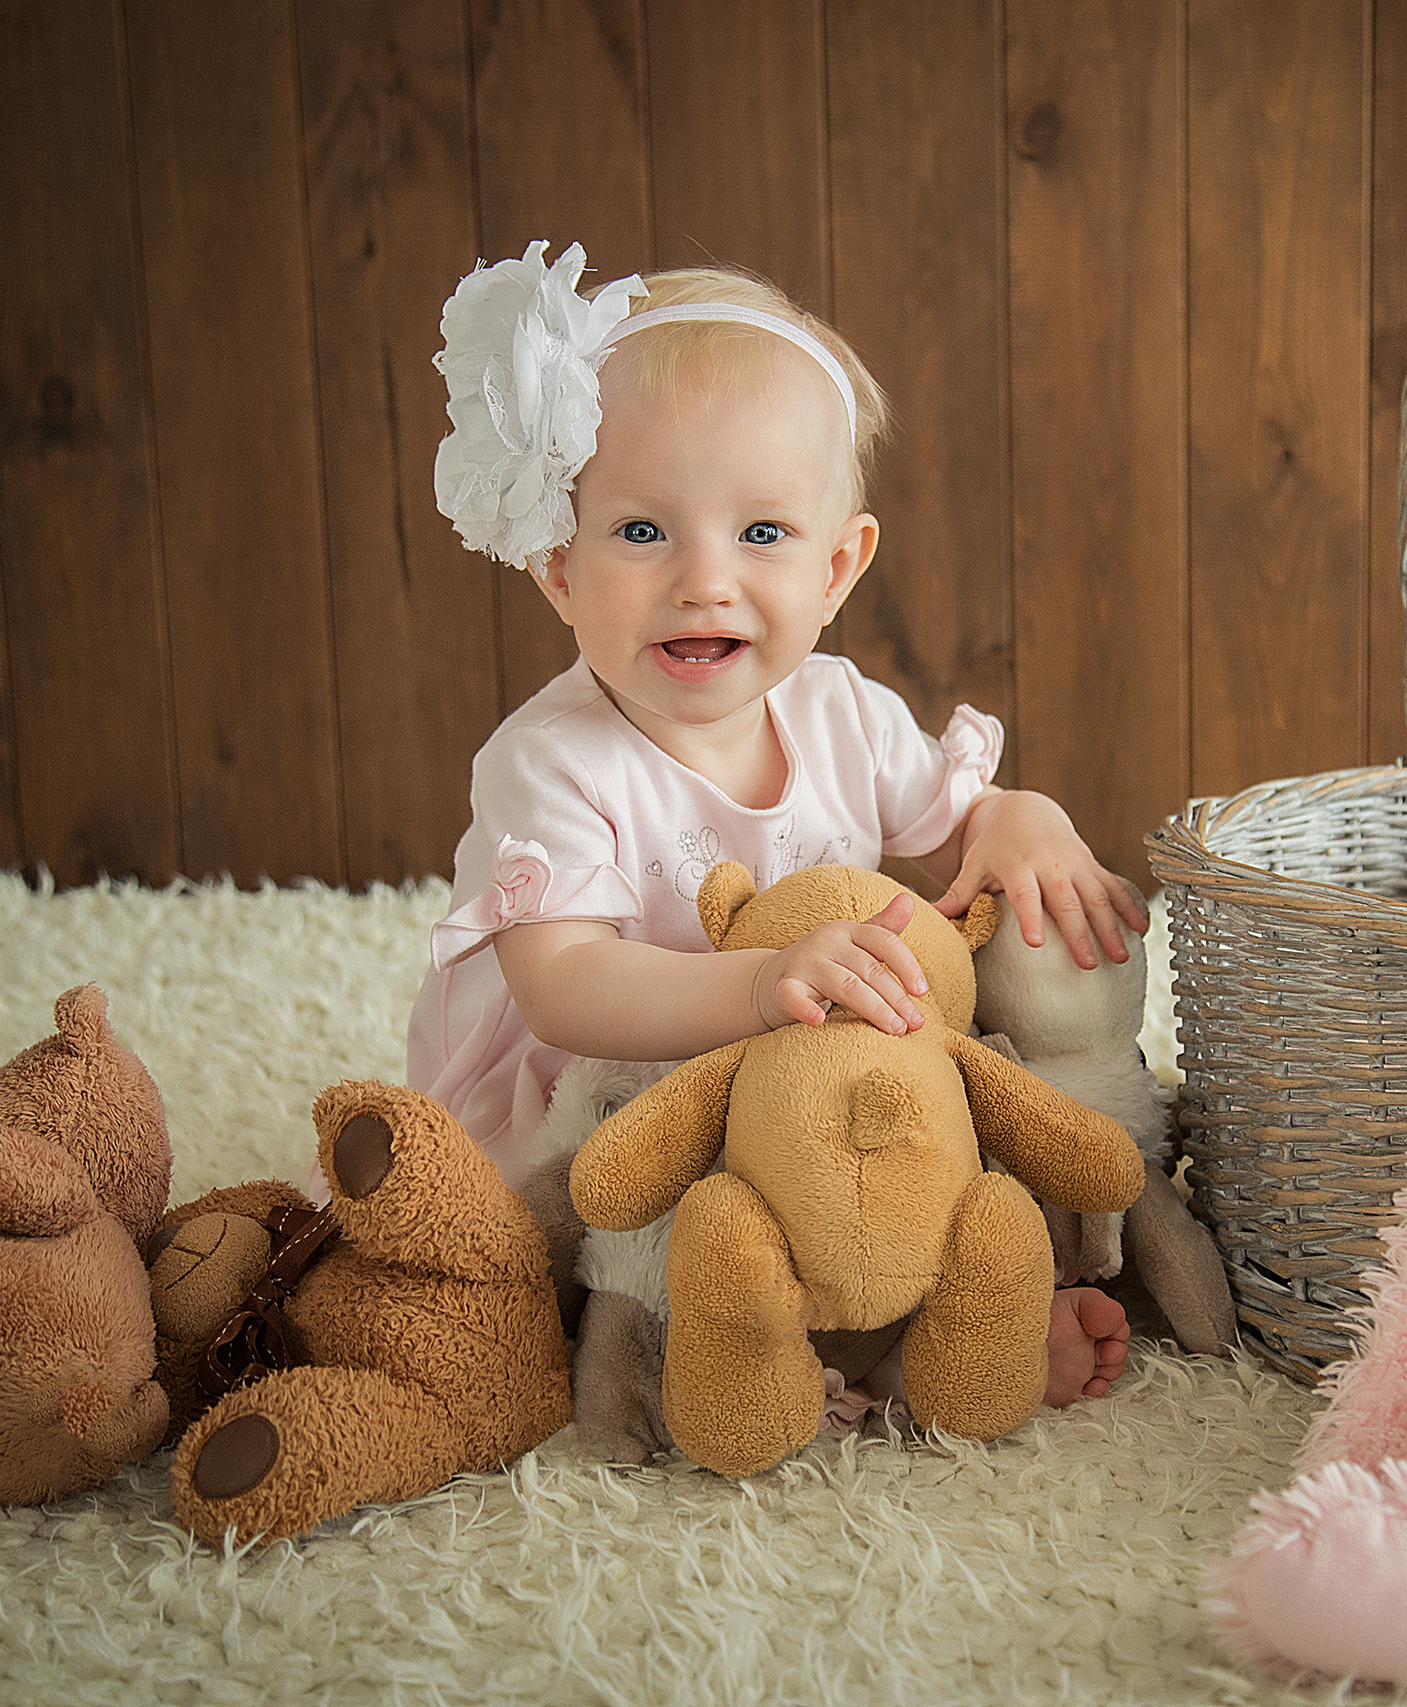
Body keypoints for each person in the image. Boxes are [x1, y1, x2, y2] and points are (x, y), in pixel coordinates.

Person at [413, 242, 1149, 1412]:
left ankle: (945, 1307)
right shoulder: (546, 762)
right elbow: (564, 986)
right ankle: (770, 1353)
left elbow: (962, 824)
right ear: (557, 563)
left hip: (801, 1099)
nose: (705, 581)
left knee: (938, 1118)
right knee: (545, 1267)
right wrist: (759, 987)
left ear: (837, 566)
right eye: (643, 532)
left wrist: (1024, 818)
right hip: (609, 1105)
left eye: (761, 534)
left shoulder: (842, 712)